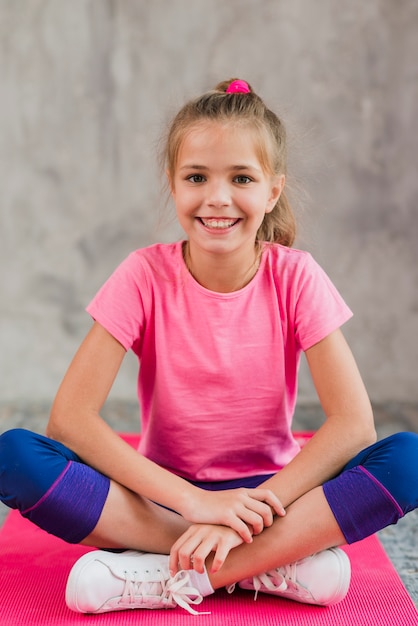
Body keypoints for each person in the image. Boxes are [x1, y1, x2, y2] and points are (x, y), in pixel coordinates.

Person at [0, 78, 417, 616]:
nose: (217, 197)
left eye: (241, 177)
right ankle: (271, 563)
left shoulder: (296, 277)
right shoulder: (142, 274)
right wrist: (199, 505)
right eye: (196, 176)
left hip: (271, 498)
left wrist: (255, 509)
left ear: (272, 191)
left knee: (408, 459)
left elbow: (353, 425)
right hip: (163, 496)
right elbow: (70, 419)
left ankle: (168, 574)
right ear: (173, 186)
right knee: (14, 454)